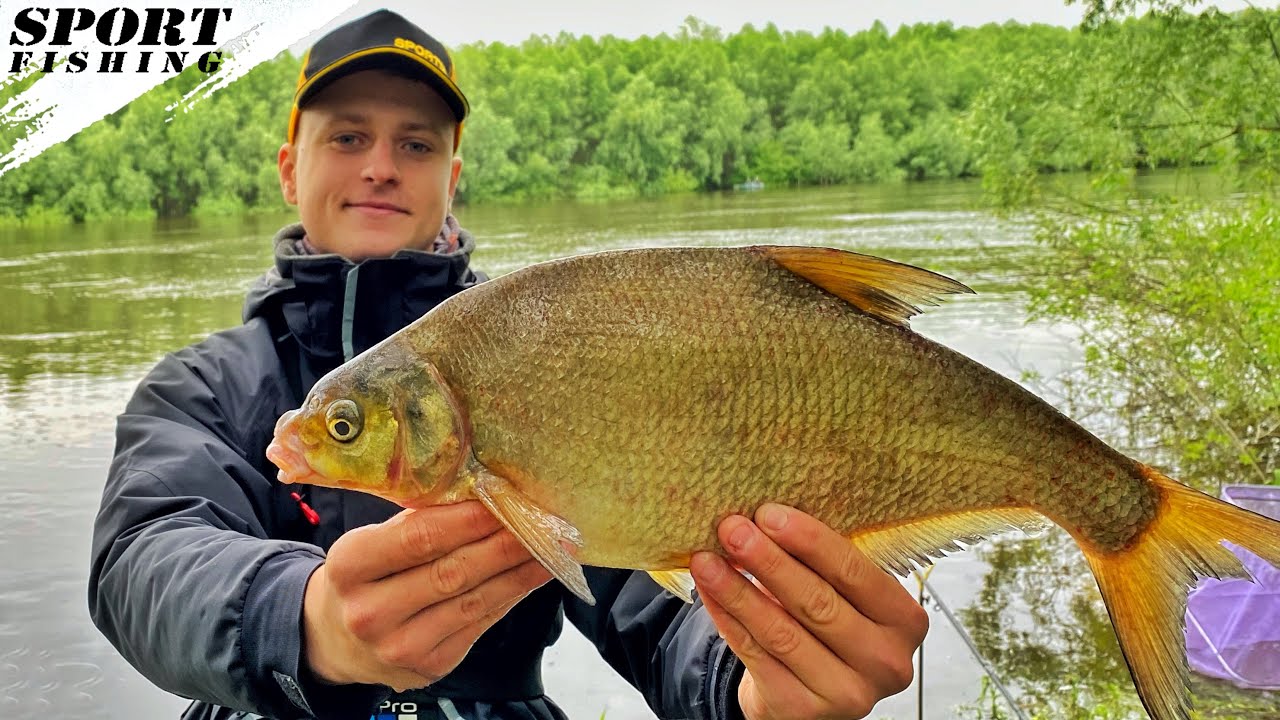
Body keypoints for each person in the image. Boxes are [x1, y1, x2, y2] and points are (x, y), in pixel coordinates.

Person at [88, 9, 929, 720]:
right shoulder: (200, 388)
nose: (381, 165)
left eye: (415, 145)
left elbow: (650, 599)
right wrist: (303, 618)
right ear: (288, 169)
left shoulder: (550, 355)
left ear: (451, 176)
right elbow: (142, 559)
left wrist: (755, 676)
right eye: (348, 136)